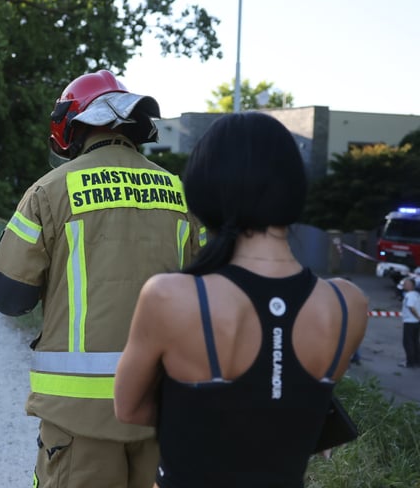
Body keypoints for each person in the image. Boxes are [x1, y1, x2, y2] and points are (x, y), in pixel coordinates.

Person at [113, 112, 369, 488]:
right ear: (293, 185)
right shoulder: (349, 304)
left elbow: (129, 408)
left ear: (205, 186)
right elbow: (291, 410)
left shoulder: (173, 297)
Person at [0, 70, 206, 488]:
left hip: (79, 416)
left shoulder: (50, 191)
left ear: (72, 125)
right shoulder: (180, 193)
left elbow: (9, 295)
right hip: (162, 408)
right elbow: (207, 290)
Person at [399, 276, 420, 368]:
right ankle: (416, 360)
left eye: (406, 284)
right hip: (416, 322)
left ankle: (410, 362)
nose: (404, 285)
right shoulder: (416, 294)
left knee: (408, 342)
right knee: (415, 341)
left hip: (410, 321)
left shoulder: (409, 295)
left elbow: (411, 307)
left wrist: (418, 316)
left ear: (411, 285)